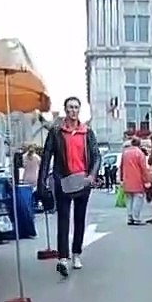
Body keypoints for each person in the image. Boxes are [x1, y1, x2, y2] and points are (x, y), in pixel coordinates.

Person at [39, 96, 100, 276]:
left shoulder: (87, 132)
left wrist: (91, 176)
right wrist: (41, 182)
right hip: (63, 180)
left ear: (79, 110)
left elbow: (96, 155)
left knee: (80, 219)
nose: (73, 110)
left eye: (76, 107)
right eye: (70, 107)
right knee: (63, 219)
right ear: (65, 110)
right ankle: (63, 257)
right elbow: (46, 156)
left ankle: (76, 253)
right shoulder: (56, 132)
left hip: (82, 181)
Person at [120, 136, 151, 226]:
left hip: (127, 180)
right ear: (139, 144)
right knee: (138, 199)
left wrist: (121, 178)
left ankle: (129, 218)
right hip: (137, 180)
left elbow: (121, 167)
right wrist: (146, 180)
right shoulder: (140, 154)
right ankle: (136, 218)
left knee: (129, 199)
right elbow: (143, 169)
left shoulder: (125, 153)